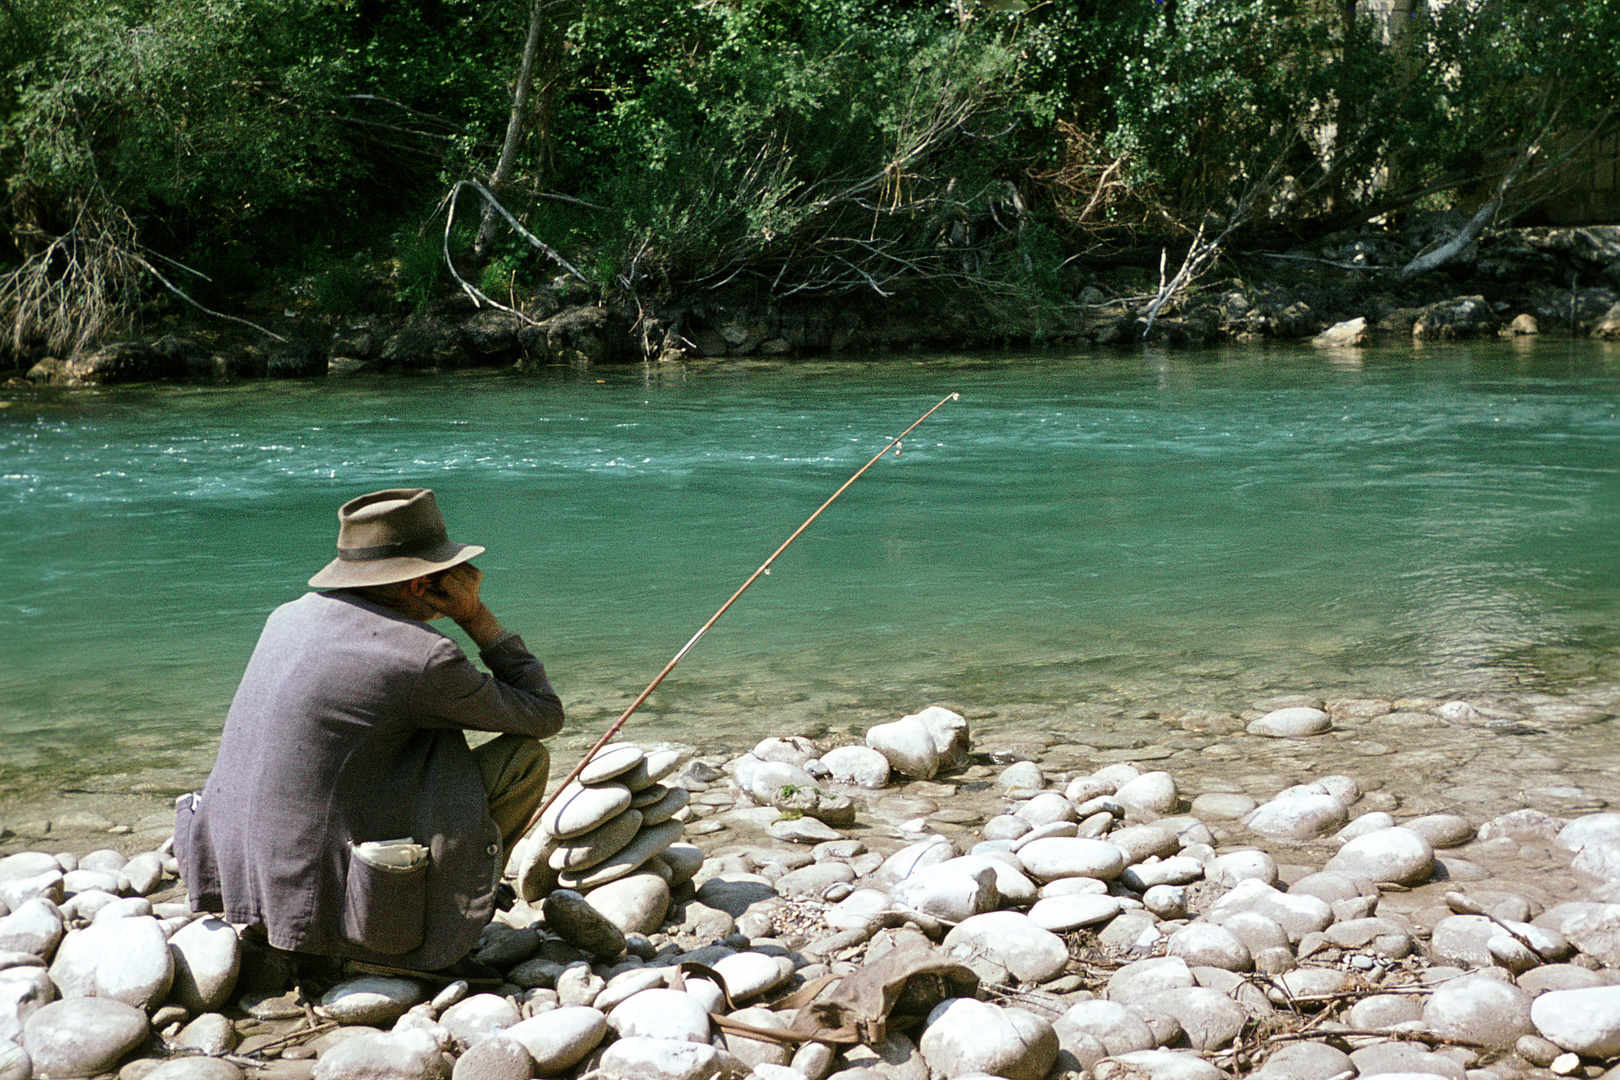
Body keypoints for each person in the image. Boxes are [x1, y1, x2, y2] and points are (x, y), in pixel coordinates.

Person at [174, 488, 563, 977]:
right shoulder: (423, 656)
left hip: (243, 885)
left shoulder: (287, 616)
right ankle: (389, 936)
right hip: (316, 902)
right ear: (422, 585)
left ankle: (317, 923)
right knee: (523, 758)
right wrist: (474, 617)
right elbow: (543, 714)